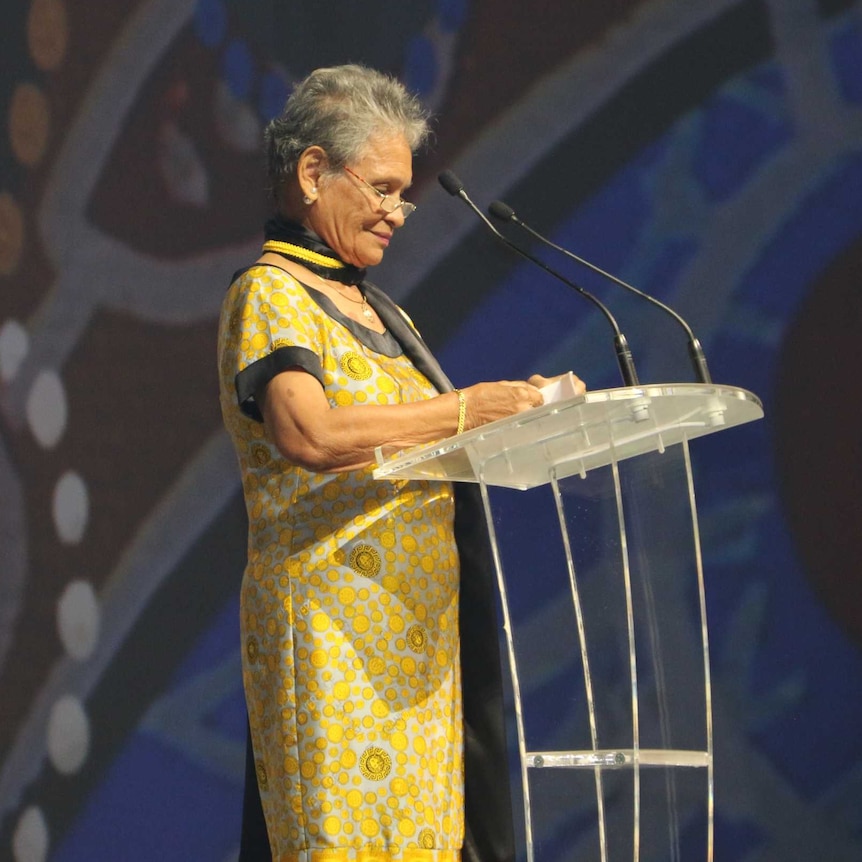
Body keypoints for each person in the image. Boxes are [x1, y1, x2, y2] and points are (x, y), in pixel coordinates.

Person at [217, 64, 585, 862]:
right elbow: (307, 434)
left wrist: (528, 414)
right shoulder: (271, 294)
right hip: (333, 644)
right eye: (382, 190)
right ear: (313, 173)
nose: (397, 215)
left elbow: (431, 439)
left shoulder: (382, 309)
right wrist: (465, 408)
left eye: (404, 195)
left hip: (418, 651)